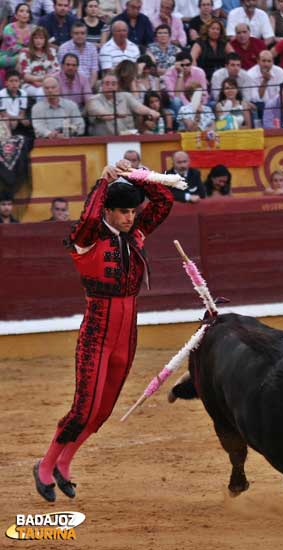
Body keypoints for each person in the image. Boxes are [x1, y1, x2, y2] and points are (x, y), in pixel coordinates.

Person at [33, 161, 174, 502]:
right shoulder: (88, 239)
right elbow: (87, 218)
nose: (130, 217)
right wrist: (103, 181)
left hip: (126, 336)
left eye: (132, 211)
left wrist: (135, 175)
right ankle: (45, 465)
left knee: (103, 410)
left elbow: (164, 202)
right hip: (97, 335)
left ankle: (65, 462)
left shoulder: (136, 232)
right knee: (84, 407)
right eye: (123, 211)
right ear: (108, 211)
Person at [86, 73, 160, 136]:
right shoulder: (93, 99)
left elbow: (138, 107)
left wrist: (150, 112)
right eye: (107, 83)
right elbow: (102, 113)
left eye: (113, 84)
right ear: (102, 86)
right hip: (103, 140)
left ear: (117, 86)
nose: (110, 87)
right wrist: (116, 115)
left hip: (127, 137)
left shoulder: (126, 96)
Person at [17, 26, 60, 98]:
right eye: (36, 38)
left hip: (49, 83)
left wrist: (47, 81)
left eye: (41, 38)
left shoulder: (51, 52)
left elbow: (57, 71)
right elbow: (25, 76)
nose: (38, 41)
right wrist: (40, 79)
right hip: (30, 84)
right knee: (42, 93)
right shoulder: (25, 53)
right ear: (32, 40)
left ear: (45, 40)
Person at [58, 21, 99, 90]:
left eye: (82, 33)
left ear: (86, 34)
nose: (79, 36)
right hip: (70, 85)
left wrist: (88, 88)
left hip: (89, 84)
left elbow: (94, 71)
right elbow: (63, 71)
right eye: (76, 33)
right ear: (71, 34)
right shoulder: (64, 48)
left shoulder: (92, 48)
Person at [0, 3, 33, 72]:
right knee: (21, 57)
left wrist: (21, 44)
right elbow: (14, 49)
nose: (24, 13)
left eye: (27, 12)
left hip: (27, 57)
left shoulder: (34, 29)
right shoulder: (9, 28)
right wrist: (27, 48)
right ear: (16, 15)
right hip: (7, 57)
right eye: (21, 11)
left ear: (29, 15)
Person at [0, 69, 30, 134]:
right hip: (5, 119)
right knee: (6, 120)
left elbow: (22, 112)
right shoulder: (1, 94)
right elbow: (3, 113)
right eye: (11, 81)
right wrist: (17, 118)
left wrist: (17, 119)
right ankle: (8, 140)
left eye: (16, 81)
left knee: (27, 122)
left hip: (17, 119)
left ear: (19, 82)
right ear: (6, 83)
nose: (14, 83)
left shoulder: (23, 93)